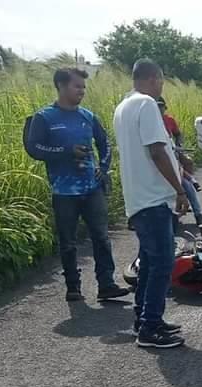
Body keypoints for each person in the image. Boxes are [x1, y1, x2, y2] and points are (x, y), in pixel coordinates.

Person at [25, 68, 129, 302]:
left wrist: (103, 167)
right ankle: (73, 287)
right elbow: (34, 148)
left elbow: (105, 144)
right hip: (63, 191)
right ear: (61, 86)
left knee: (101, 237)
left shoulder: (88, 116)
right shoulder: (44, 117)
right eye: (77, 86)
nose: (82, 90)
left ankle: (107, 285)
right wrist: (65, 152)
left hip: (92, 188)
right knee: (68, 241)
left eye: (83, 87)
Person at [113, 58, 187, 348]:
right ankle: (150, 328)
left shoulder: (124, 106)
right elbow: (157, 151)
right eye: (162, 81)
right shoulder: (145, 104)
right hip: (154, 198)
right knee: (161, 265)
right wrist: (179, 190)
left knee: (147, 264)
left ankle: (143, 318)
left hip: (139, 197)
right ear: (155, 78)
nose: (161, 86)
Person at [157, 97, 202, 228]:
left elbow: (177, 135)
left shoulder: (168, 121)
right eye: (157, 106)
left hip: (172, 154)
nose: (159, 109)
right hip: (154, 161)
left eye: (161, 106)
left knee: (186, 184)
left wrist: (178, 145)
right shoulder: (147, 123)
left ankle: (198, 214)